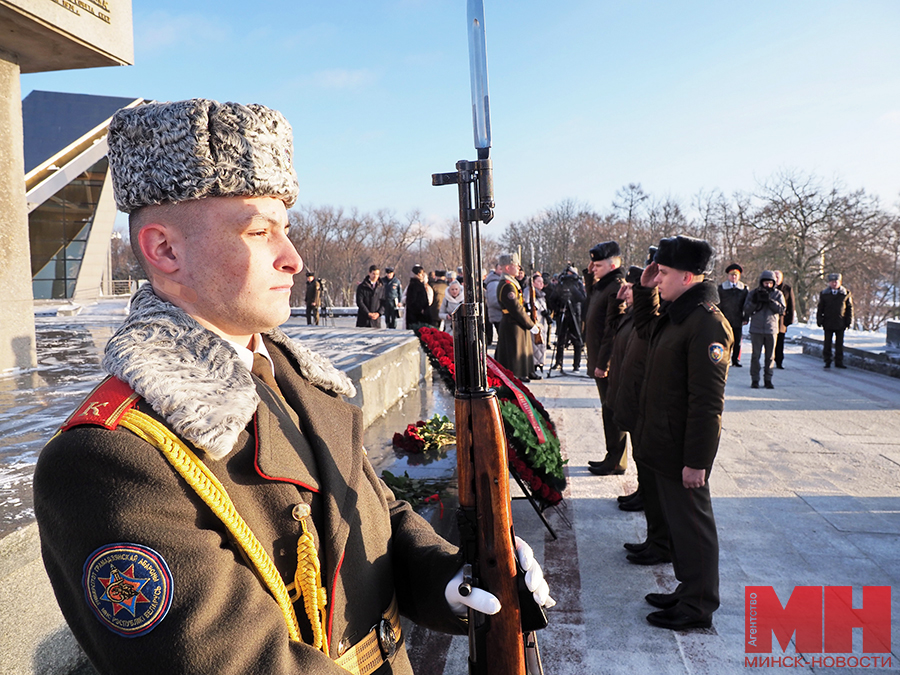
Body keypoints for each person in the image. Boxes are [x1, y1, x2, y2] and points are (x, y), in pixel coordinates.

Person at [32, 99, 553, 675]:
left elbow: (375, 516)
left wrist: (453, 577)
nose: (294, 259)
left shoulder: (293, 377)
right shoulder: (110, 456)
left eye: (287, 230)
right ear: (165, 250)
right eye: (260, 231)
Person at [632, 235, 732, 630]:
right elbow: (645, 329)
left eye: (665, 273)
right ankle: (688, 589)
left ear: (688, 277)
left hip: (681, 451)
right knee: (680, 528)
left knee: (694, 528)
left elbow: (708, 404)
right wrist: (644, 291)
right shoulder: (678, 315)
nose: (658, 280)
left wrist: (697, 462)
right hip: (663, 442)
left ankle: (698, 605)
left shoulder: (706, 323)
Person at [583, 241, 628, 476]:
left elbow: (613, 329)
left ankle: (616, 460)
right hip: (598, 358)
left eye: (598, 265)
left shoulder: (616, 288)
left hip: (607, 362)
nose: (593, 267)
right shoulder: (604, 285)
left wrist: (604, 364)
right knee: (607, 409)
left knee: (612, 410)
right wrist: (589, 275)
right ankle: (612, 456)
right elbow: (591, 296)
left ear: (613, 265)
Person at [494, 252, 540, 380]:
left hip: (517, 321)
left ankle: (527, 370)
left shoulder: (512, 283)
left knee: (524, 347)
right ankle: (517, 373)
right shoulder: (507, 285)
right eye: (516, 265)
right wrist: (530, 324)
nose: (519, 268)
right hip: (512, 322)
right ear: (508, 268)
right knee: (515, 350)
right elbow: (515, 308)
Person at [742, 270, 786, 389]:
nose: (767, 285)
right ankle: (755, 379)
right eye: (765, 283)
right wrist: (756, 301)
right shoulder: (753, 293)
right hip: (756, 329)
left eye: (770, 283)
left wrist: (770, 301)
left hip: (771, 329)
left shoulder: (778, 294)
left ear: (774, 283)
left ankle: (768, 379)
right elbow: (747, 309)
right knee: (755, 356)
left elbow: (781, 310)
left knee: (770, 356)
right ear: (761, 282)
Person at [548, 265, 586, 372]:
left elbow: (582, 298)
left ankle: (576, 364)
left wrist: (573, 289)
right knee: (561, 339)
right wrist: (558, 309)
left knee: (577, 339)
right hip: (563, 314)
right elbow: (552, 299)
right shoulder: (561, 284)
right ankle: (558, 362)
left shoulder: (577, 284)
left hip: (575, 313)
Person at [816, 272, 853, 369]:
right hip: (828, 321)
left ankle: (839, 361)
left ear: (840, 282)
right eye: (832, 282)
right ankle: (827, 360)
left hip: (840, 322)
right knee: (827, 342)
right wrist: (819, 319)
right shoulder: (824, 294)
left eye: (836, 282)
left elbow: (849, 308)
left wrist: (848, 321)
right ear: (829, 283)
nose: (834, 284)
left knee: (839, 344)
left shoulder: (845, 294)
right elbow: (820, 308)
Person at [717, 263, 748, 367]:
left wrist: (746, 317)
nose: (734, 277)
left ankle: (735, 360)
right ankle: (725, 359)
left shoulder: (743, 289)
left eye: (736, 275)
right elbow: (719, 303)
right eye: (732, 275)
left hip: (738, 318)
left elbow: (746, 305)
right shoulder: (721, 288)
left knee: (737, 341)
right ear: (728, 276)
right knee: (725, 340)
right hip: (725, 318)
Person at [525, 272, 550, 376]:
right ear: (533, 283)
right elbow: (527, 306)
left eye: (542, 282)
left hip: (542, 324)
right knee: (534, 347)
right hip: (535, 324)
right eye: (538, 281)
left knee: (540, 346)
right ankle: (532, 367)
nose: (541, 284)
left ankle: (539, 364)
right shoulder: (529, 292)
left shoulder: (541, 294)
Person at [773, 270, 794, 369]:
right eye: (775, 276)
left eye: (778, 277)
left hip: (782, 320)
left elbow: (791, 305)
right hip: (770, 320)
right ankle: (770, 360)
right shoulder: (768, 287)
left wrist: (789, 320)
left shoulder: (787, 289)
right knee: (770, 343)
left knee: (780, 342)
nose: (776, 279)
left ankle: (779, 361)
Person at [405, 264, 434, 331]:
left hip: (420, 314)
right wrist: (420, 310)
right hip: (417, 316)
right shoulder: (414, 285)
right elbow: (411, 301)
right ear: (418, 274)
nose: (423, 275)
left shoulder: (419, 284)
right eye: (421, 273)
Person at [483, 261, 504, 346]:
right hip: (498, 314)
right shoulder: (493, 282)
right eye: (500, 269)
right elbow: (493, 300)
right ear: (495, 270)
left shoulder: (499, 280)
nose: (502, 271)